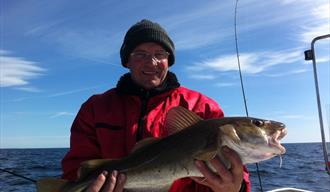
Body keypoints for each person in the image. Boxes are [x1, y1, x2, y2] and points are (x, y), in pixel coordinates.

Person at [61, 19, 251, 192]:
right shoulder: (95, 108)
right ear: (127, 61)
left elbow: (235, 172)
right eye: (140, 54)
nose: (151, 62)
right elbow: (77, 167)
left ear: (169, 60)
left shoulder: (203, 107)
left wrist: (236, 188)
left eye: (159, 54)